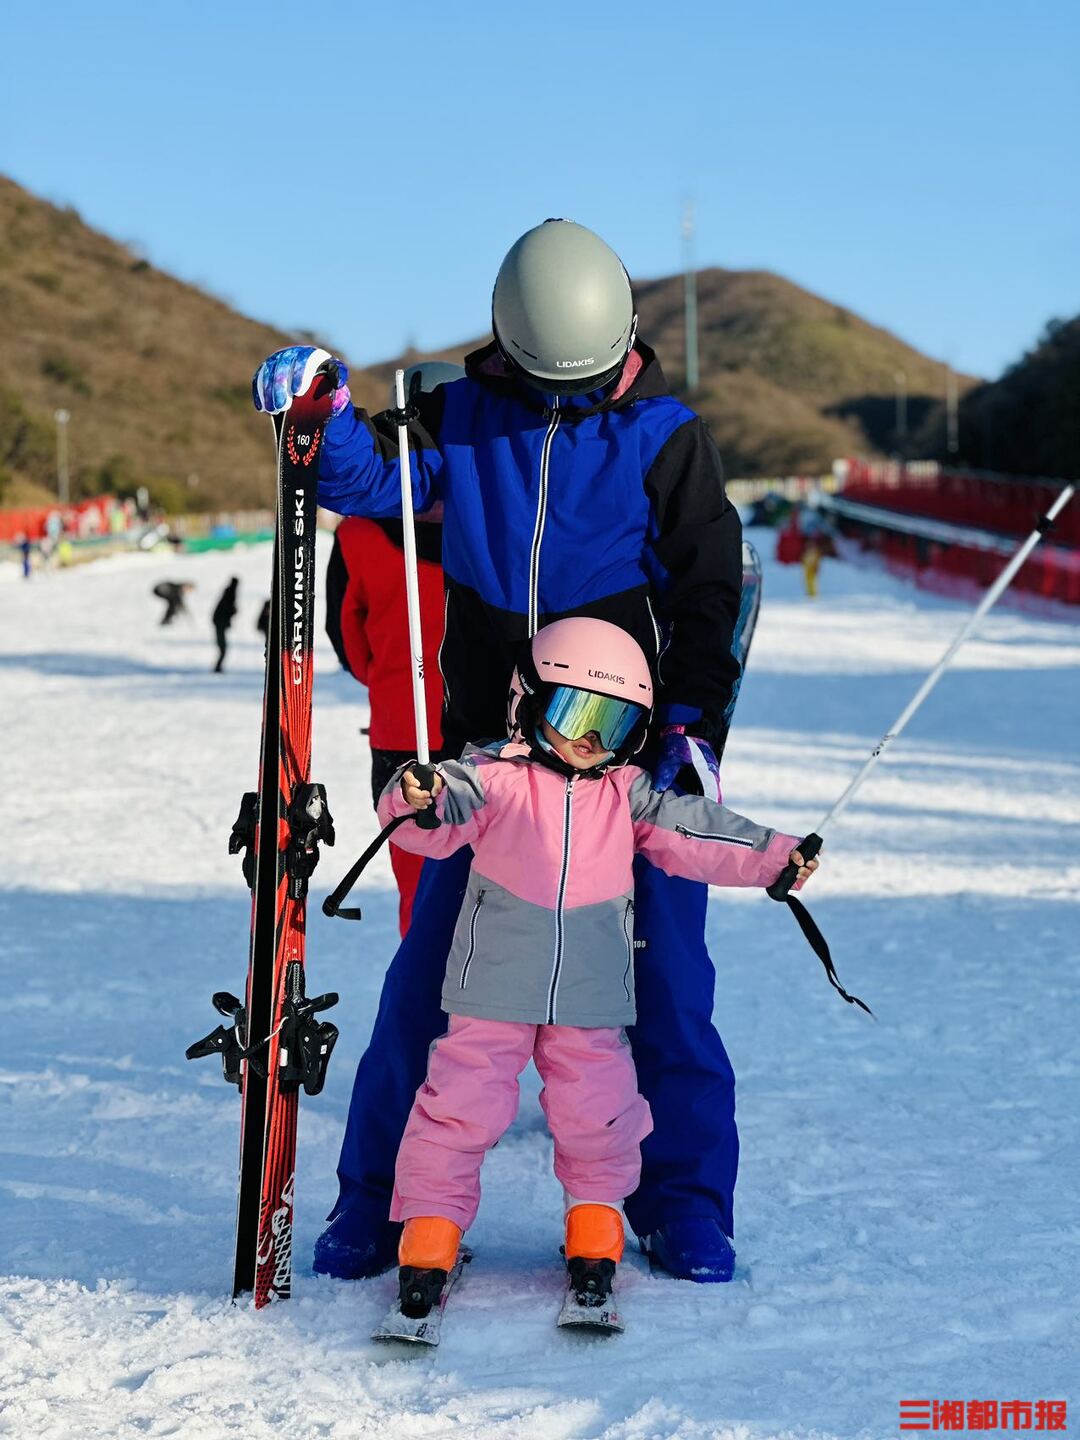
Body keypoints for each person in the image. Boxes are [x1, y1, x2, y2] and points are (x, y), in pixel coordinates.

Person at [253, 219, 751, 1285]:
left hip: (632, 765)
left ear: (626, 337)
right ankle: (381, 1204)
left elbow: (712, 595)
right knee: (429, 985)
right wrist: (329, 417)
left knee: (666, 990)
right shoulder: (462, 420)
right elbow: (368, 487)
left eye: (605, 372)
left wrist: (694, 728)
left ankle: (686, 1206)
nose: (589, 391)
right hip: (495, 763)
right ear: (511, 349)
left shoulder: (666, 438)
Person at [382, 619, 816, 1318]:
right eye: (574, 713)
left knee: (601, 1115)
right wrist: (416, 795)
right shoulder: (492, 779)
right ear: (528, 701)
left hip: (589, 995)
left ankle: (595, 1225)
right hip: (493, 986)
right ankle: (430, 1230)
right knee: (459, 1108)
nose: (590, 738)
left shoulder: (627, 797)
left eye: (612, 724)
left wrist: (776, 855)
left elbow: (697, 831)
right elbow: (428, 825)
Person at [325, 363, 464, 935]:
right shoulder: (490, 516)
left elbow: (345, 636)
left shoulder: (355, 532)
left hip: (401, 731)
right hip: (493, 731)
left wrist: (388, 678)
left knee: (421, 888)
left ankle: (425, 1012)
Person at [212, 577, 239, 672]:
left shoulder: (228, 594)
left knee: (223, 649)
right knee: (223, 649)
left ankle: (218, 667)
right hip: (220, 624)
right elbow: (225, 610)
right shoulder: (230, 595)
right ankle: (217, 668)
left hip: (220, 624)